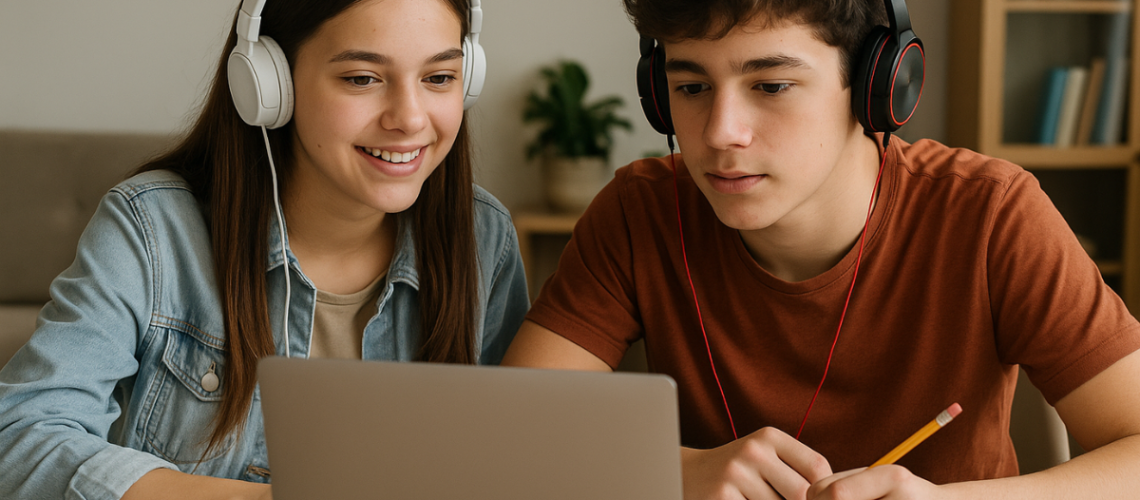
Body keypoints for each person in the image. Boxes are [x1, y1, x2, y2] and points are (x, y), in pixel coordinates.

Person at [502, 0, 1140, 498]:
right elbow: (510, 434)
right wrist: (673, 473)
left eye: (771, 85)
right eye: (692, 88)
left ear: (878, 86)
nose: (721, 133)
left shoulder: (990, 215)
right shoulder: (639, 214)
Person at [0, 0, 528, 498]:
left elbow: (515, 458)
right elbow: (23, 439)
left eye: (439, 78)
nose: (410, 118)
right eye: (362, 78)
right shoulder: (153, 228)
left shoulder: (485, 238)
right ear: (268, 83)